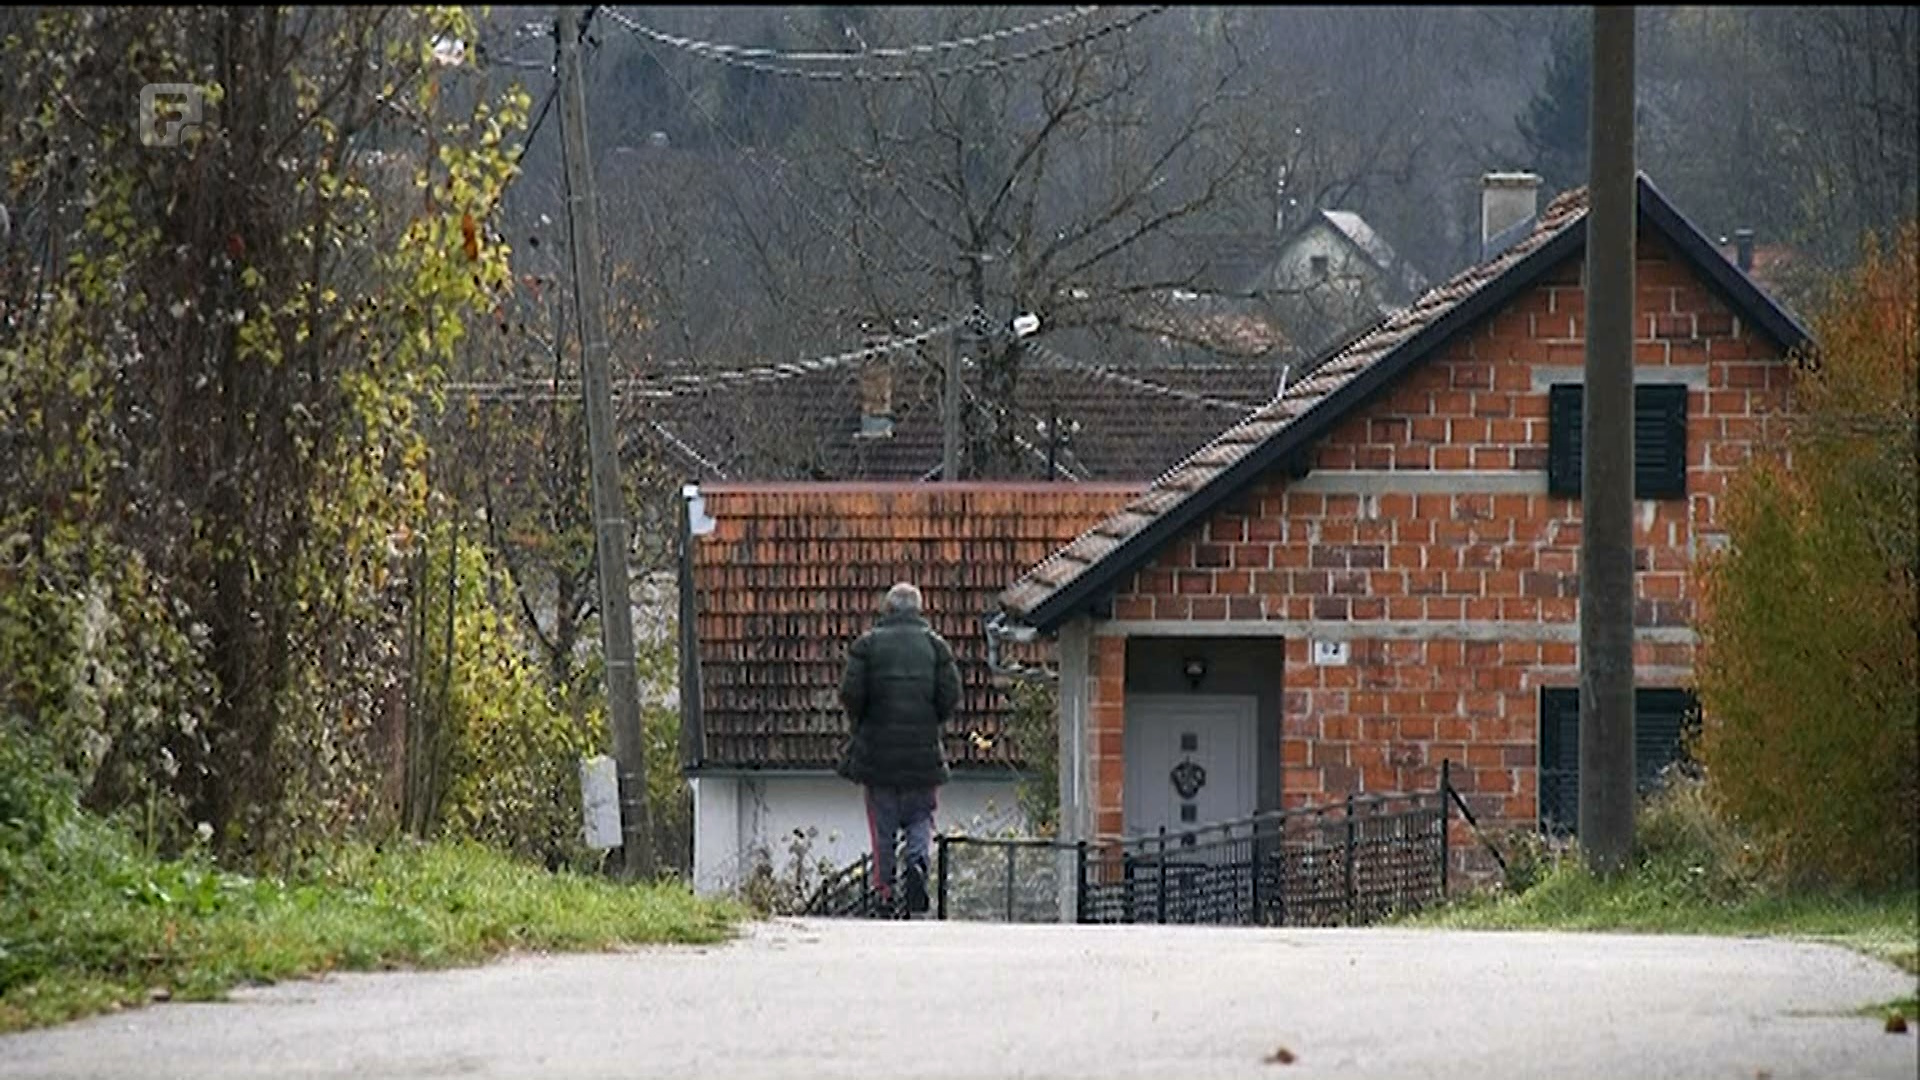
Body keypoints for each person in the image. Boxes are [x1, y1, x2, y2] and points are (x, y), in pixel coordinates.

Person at [837, 581, 961, 918]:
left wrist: (861, 721)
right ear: (919, 609)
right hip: (923, 755)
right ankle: (918, 864)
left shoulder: (867, 646)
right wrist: (930, 720)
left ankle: (886, 891)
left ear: (887, 610)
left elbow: (850, 694)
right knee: (921, 816)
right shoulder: (937, 648)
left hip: (877, 756)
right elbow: (951, 696)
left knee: (883, 826)